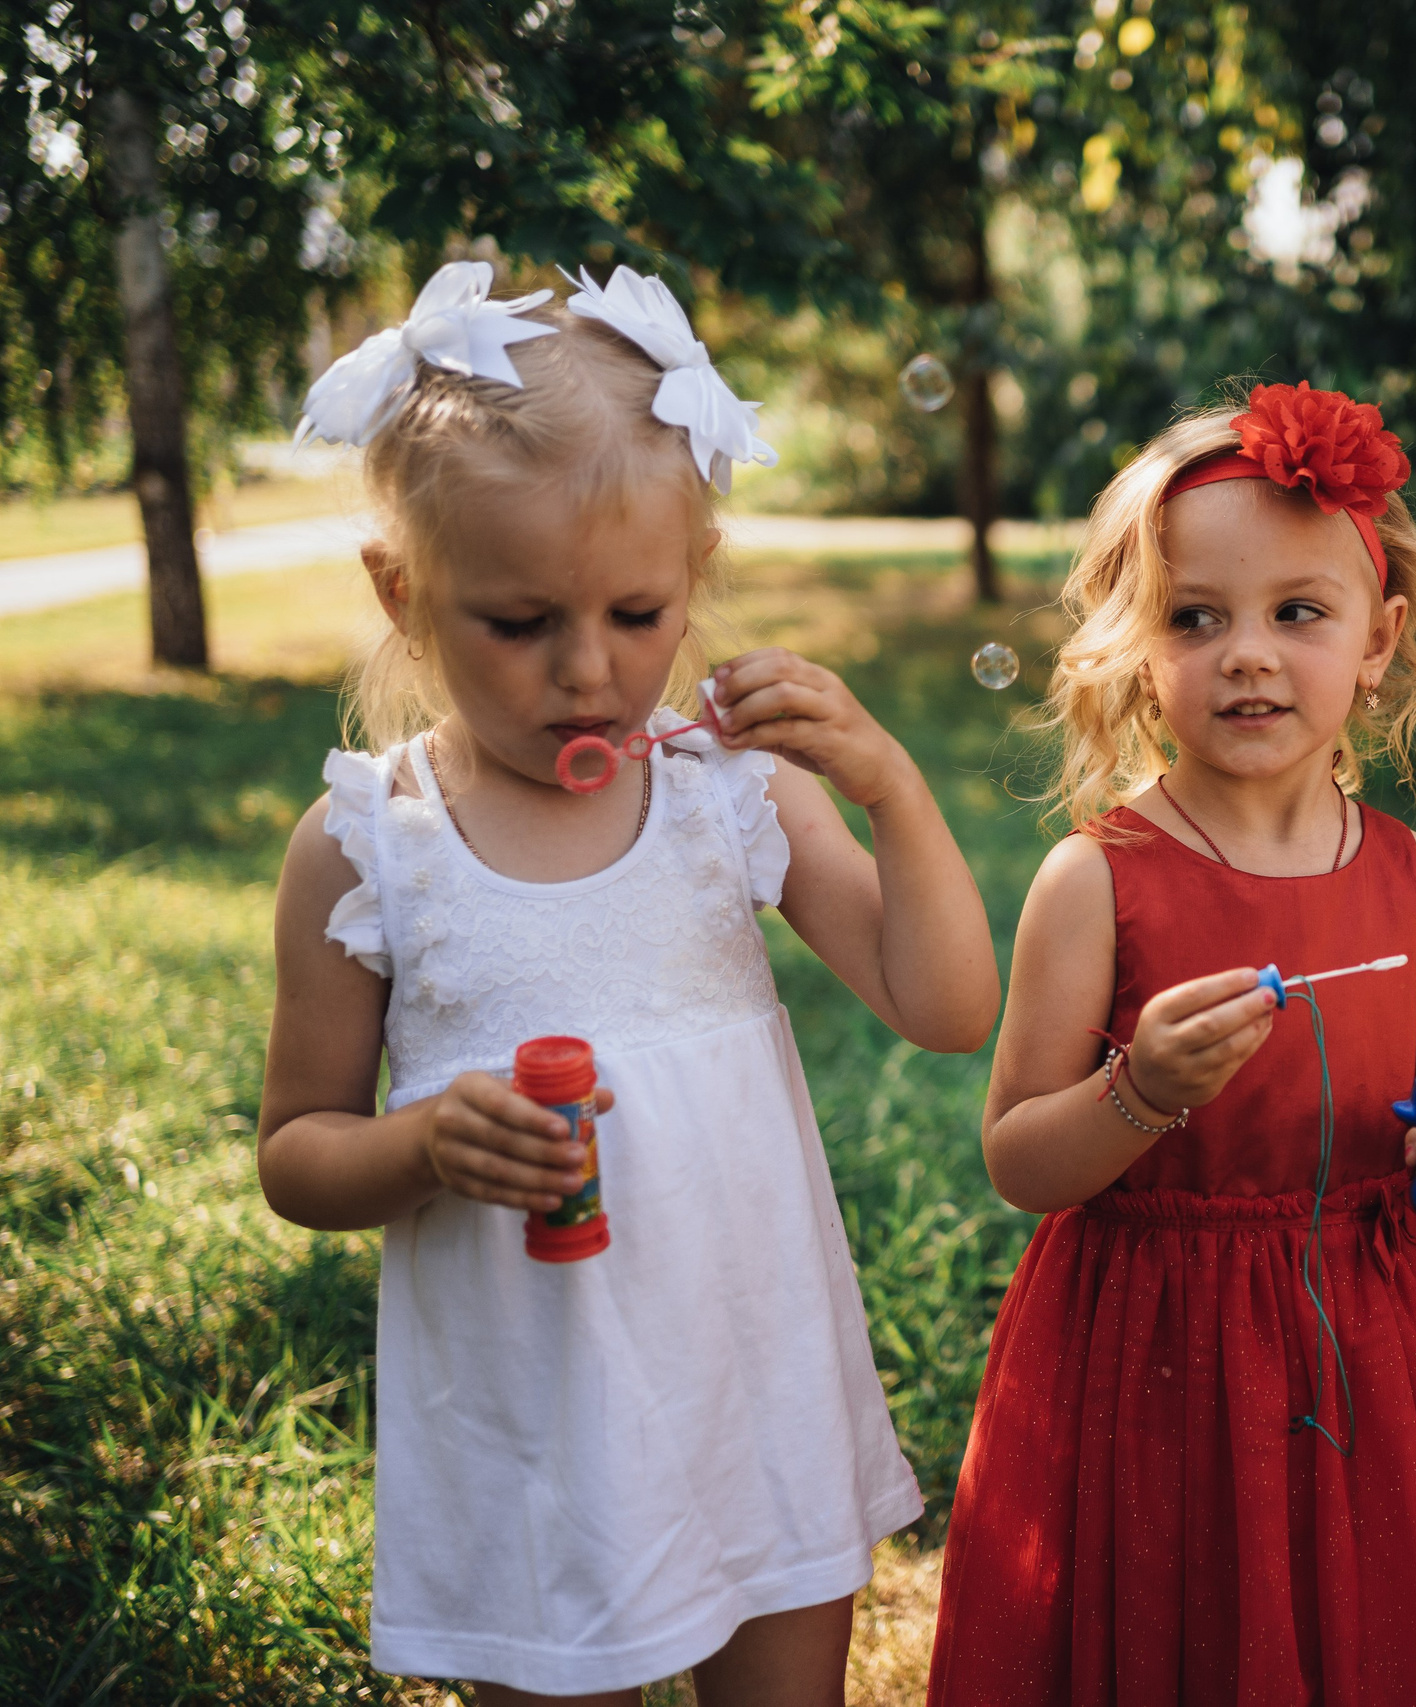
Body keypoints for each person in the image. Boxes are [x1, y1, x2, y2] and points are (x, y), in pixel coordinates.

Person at [255, 261, 999, 1706]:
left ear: (696, 576)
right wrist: (417, 1149)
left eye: (639, 614)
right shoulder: (368, 850)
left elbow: (949, 1007)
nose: (588, 672)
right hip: (534, 1434)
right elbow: (298, 1156)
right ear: (403, 595)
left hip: (750, 1381)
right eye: (519, 623)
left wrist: (891, 791)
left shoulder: (738, 795)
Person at [927, 384, 1416, 1705]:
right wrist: (1137, 1092)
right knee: (1181, 1634)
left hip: (1372, 1351)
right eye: (1194, 618)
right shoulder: (1096, 880)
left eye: (1296, 613)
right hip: (1152, 1361)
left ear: (1377, 643)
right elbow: (1019, 1161)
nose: (1247, 653)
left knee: (1354, 1634)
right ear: (1132, 648)